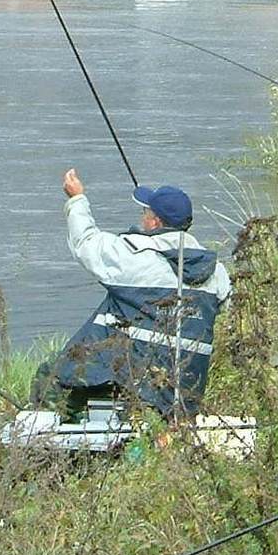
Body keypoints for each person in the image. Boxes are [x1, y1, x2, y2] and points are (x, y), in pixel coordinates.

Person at [40, 168, 232, 422]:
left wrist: (76, 199)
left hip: (131, 377)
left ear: (155, 222)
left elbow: (85, 242)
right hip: (185, 389)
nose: (143, 219)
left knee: (50, 375)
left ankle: (49, 438)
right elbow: (226, 310)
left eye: (145, 213)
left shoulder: (134, 257)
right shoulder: (217, 272)